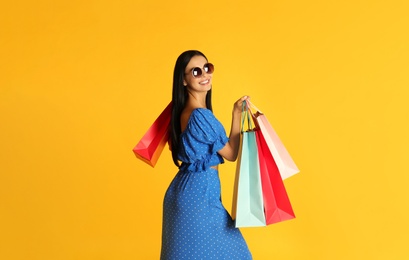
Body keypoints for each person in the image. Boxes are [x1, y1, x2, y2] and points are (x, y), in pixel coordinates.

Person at [160, 50, 252, 259]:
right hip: (198, 196)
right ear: (183, 80)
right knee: (236, 254)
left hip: (186, 192)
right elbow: (230, 153)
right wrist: (236, 115)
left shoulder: (183, 110)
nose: (204, 75)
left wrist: (236, 113)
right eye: (195, 71)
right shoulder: (200, 116)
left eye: (207, 68)